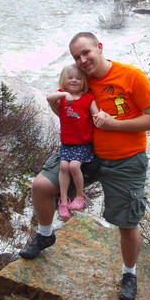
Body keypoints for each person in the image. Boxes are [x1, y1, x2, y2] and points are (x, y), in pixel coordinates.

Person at [20, 32, 150, 300]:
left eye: (86, 52)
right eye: (76, 56)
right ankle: (45, 235)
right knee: (41, 186)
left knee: (126, 221)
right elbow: (73, 113)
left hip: (125, 158)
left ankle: (129, 274)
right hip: (85, 153)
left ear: (99, 47)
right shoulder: (80, 80)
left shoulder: (131, 77)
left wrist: (115, 126)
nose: (82, 60)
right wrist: (56, 106)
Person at [46, 64, 98, 220]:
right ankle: (63, 201)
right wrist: (64, 96)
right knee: (63, 166)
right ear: (64, 80)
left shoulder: (88, 98)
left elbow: (95, 114)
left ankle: (80, 196)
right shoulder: (61, 95)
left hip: (82, 142)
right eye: (70, 78)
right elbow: (49, 97)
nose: (74, 80)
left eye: (78, 78)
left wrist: (102, 118)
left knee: (74, 166)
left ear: (84, 81)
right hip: (67, 142)